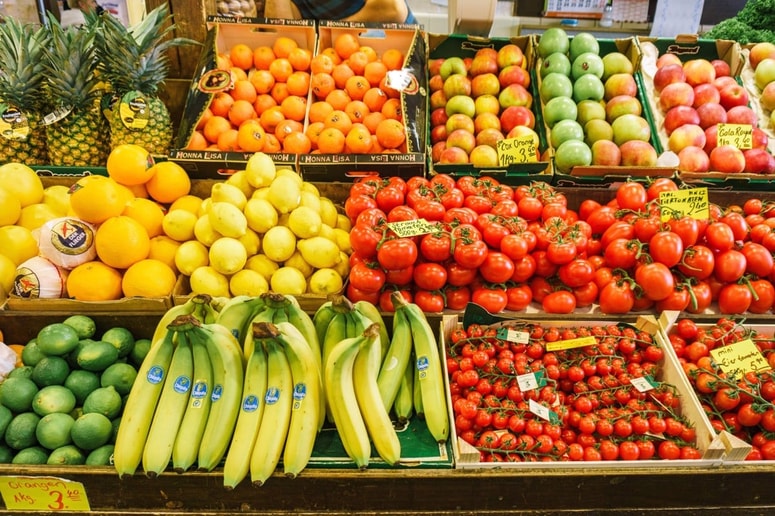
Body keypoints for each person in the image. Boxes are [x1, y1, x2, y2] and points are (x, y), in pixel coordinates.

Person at [265, 0, 417, 24]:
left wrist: (331, 33)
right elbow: (284, 34)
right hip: (333, 67)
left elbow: (392, 10)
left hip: (399, 53)